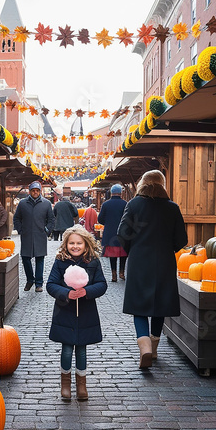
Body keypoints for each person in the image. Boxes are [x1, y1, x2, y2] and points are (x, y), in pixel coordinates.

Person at [117, 170, 187, 369]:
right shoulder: (172, 208)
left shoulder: (134, 205)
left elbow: (122, 233)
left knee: (139, 306)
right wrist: (166, 248)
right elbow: (182, 239)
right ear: (163, 185)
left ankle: (144, 347)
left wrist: (135, 248)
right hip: (164, 262)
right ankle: (154, 348)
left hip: (139, 261)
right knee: (160, 305)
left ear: (142, 184)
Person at [47, 225, 107, 400]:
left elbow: (102, 284)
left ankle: (82, 385)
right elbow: (51, 284)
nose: (75, 246)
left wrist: (87, 292)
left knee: (81, 350)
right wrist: (66, 293)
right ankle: (65, 385)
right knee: (66, 349)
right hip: (64, 312)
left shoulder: (93, 261)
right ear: (65, 244)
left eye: (79, 243)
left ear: (86, 244)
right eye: (71, 243)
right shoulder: (60, 261)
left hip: (86, 313)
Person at [13, 181, 55, 292]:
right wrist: (20, 230)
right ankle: (30, 280)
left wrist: (47, 230)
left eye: (37, 190)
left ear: (40, 191)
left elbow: (51, 219)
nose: (35, 192)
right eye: (33, 190)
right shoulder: (22, 203)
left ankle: (39, 284)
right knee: (25, 258)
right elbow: (16, 218)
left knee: (40, 259)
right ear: (29, 191)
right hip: (26, 236)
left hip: (40, 235)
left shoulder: (46, 203)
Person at [97, 184, 128, 281]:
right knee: (123, 254)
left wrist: (108, 223)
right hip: (124, 234)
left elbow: (100, 219)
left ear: (111, 193)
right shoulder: (125, 204)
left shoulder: (106, 204)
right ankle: (122, 273)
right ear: (121, 193)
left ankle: (113, 274)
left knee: (112, 256)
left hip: (110, 233)